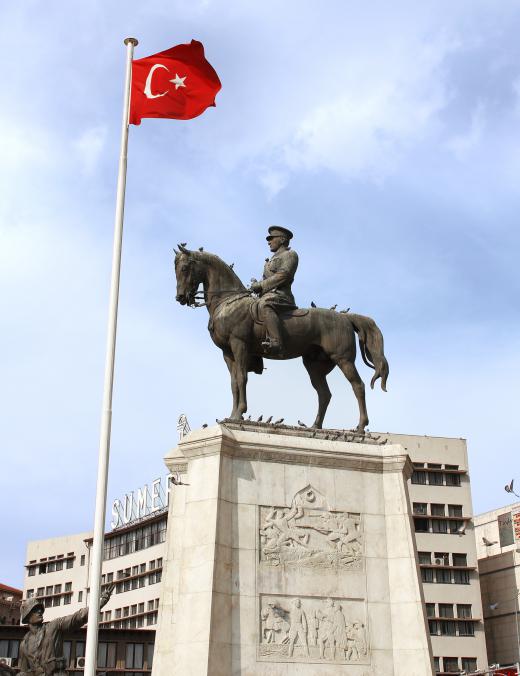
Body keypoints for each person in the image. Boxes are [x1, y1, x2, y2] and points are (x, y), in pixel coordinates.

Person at [18, 584, 114, 675]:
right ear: (27, 617)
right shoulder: (24, 645)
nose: (39, 612)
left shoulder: (53, 627)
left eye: (40, 609)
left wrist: (100, 603)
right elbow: (24, 672)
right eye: (34, 610)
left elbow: (77, 618)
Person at [250, 226, 298, 354]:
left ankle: (276, 341)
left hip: (281, 296)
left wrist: (261, 285)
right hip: (267, 295)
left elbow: (284, 276)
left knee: (265, 305)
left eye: (272, 238)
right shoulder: (269, 261)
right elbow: (265, 281)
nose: (269, 242)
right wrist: (256, 286)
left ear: (282, 240)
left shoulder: (290, 254)